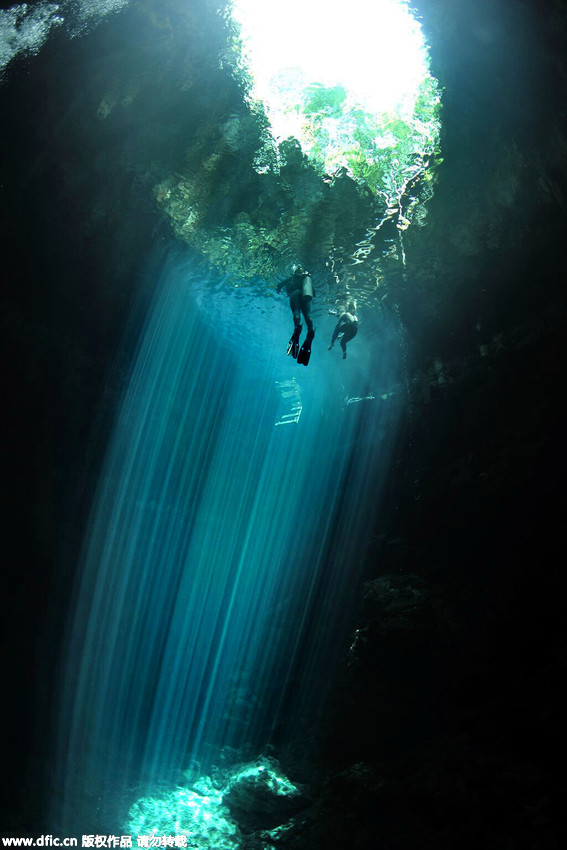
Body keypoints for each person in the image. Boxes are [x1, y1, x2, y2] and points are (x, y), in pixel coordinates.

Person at [277, 264, 316, 365]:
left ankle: (297, 328)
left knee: (296, 313)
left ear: (294, 272)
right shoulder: (306, 280)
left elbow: (280, 285)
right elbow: (314, 292)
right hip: (305, 294)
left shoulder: (292, 278)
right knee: (308, 316)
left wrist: (279, 289)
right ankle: (310, 331)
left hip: (295, 294)